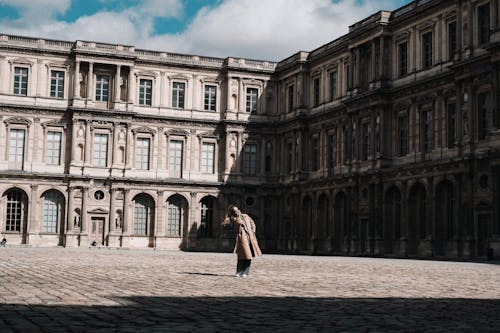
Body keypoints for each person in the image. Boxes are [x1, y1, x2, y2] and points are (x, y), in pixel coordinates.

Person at [222, 204, 262, 277]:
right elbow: (231, 223)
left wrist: (253, 231)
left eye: (237, 209)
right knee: (242, 256)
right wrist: (234, 217)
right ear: (232, 212)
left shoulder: (246, 216)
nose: (237, 211)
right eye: (235, 210)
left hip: (250, 237)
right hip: (242, 238)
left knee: (249, 256)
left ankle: (245, 272)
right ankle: (239, 271)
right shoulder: (234, 219)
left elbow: (252, 223)